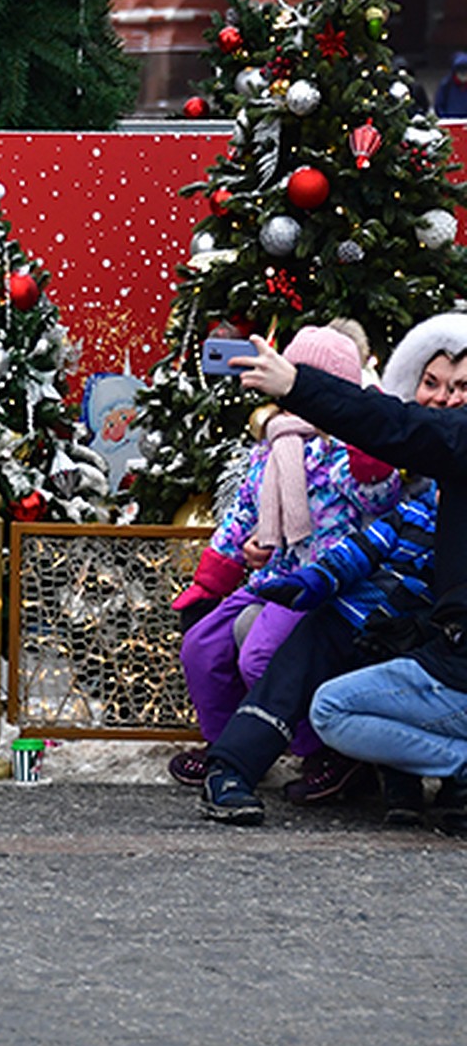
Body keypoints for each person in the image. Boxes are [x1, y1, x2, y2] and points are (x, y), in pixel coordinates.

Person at [197, 315, 467, 826]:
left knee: (340, 696)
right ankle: (231, 766)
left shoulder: (440, 441)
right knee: (323, 637)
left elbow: (396, 429)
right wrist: (312, 580)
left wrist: (298, 385)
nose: (447, 399)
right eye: (432, 384)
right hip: (400, 609)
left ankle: (442, 782)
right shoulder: (422, 459)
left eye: (461, 387)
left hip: (445, 633)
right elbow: (374, 537)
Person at [167, 326, 400, 787]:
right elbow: (242, 513)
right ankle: (227, 741)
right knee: (201, 646)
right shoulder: (273, 442)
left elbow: (378, 496)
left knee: (262, 656)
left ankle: (325, 751)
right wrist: (214, 576)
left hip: (324, 584)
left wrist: (366, 441)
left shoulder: (345, 449)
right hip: (272, 574)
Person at [433, 52, 467, 119]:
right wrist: (445, 118)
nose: (463, 75)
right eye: (460, 71)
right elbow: (439, 105)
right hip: (450, 121)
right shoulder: (446, 85)